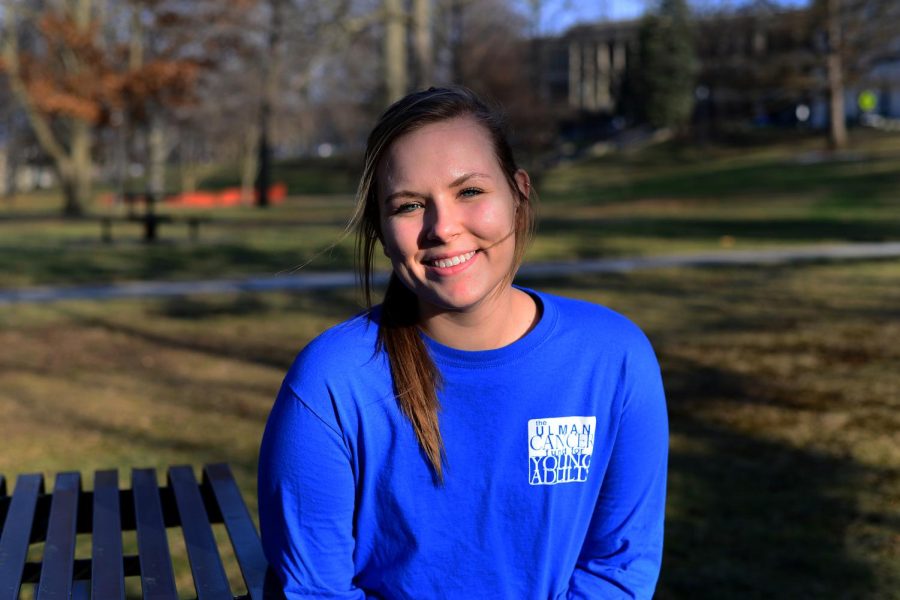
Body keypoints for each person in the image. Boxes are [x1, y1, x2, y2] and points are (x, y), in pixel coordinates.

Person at [258, 87, 668, 599]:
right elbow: (315, 591)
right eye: (409, 205)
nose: (443, 228)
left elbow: (619, 566)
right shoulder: (331, 383)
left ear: (518, 195)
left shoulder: (615, 357)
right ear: (382, 233)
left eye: (470, 191)